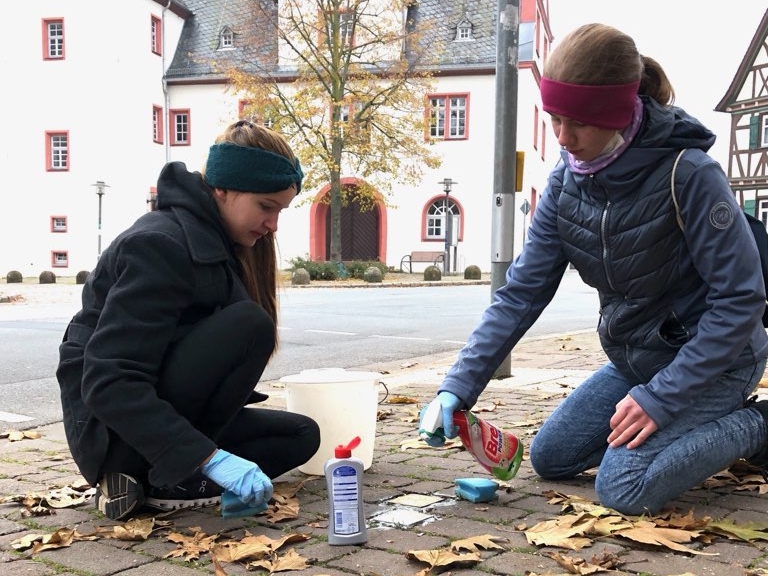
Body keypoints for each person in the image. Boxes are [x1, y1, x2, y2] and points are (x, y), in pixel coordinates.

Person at [419, 23, 768, 515]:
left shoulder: (689, 174)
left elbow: (741, 303)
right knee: (551, 458)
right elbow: (521, 293)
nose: (564, 137)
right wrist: (457, 387)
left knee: (624, 485)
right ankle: (679, 427)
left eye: (578, 122)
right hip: (638, 361)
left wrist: (662, 400)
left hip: (719, 363)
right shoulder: (566, 182)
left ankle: (757, 426)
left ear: (619, 111)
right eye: (555, 119)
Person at [57, 120, 321, 521]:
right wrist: (211, 458)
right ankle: (150, 473)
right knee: (251, 326)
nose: (273, 226)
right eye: (266, 207)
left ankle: (151, 482)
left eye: (280, 210)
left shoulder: (220, 243)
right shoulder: (159, 245)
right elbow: (109, 381)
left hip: (167, 413)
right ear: (223, 189)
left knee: (302, 435)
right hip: (114, 431)